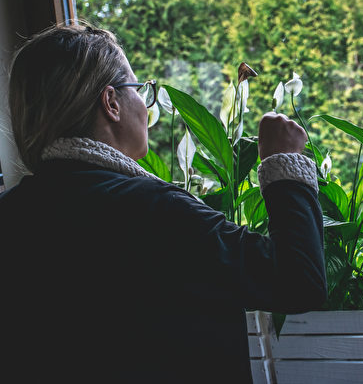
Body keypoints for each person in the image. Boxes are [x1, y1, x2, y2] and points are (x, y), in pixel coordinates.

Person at [0, 24, 326, 383]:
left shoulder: (11, 213)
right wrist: (283, 163)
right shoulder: (158, 212)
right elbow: (298, 279)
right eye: (140, 90)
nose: (145, 103)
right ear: (111, 103)